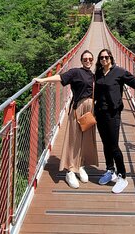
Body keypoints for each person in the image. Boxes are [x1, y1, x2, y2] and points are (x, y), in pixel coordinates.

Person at [94, 48, 135, 193]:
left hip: (113, 114)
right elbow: (95, 91)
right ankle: (110, 170)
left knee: (114, 145)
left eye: (106, 57)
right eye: (101, 58)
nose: (104, 59)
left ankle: (122, 176)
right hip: (100, 113)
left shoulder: (119, 72)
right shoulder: (98, 73)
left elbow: (134, 82)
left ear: (111, 58)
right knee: (106, 144)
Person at [34, 50, 98, 189]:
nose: (88, 61)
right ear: (81, 61)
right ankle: (69, 171)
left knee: (86, 139)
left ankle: (79, 166)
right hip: (78, 108)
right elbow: (60, 77)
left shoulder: (93, 76)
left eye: (90, 59)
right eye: (85, 59)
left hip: (90, 110)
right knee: (74, 139)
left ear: (93, 61)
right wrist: (43, 80)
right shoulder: (75, 72)